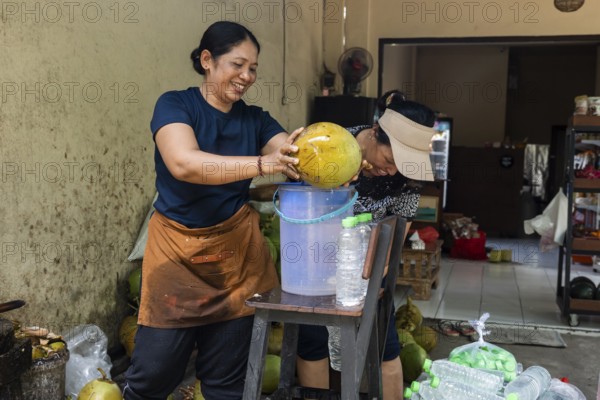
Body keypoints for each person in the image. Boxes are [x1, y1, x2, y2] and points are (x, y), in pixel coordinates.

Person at [123, 21, 302, 400]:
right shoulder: (175, 104)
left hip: (235, 263)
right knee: (152, 377)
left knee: (226, 383)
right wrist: (262, 164)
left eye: (253, 68)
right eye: (238, 64)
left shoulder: (256, 119)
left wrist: (339, 156)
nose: (247, 76)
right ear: (207, 60)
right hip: (176, 256)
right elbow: (184, 163)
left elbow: (294, 154)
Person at [296, 90, 436, 399]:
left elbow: (397, 232)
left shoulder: (407, 178)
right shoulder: (333, 143)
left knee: (383, 344)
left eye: (403, 165)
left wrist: (368, 281)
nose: (392, 171)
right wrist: (332, 185)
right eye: (389, 159)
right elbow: (300, 198)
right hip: (316, 260)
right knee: (313, 339)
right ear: (374, 133)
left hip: (367, 263)